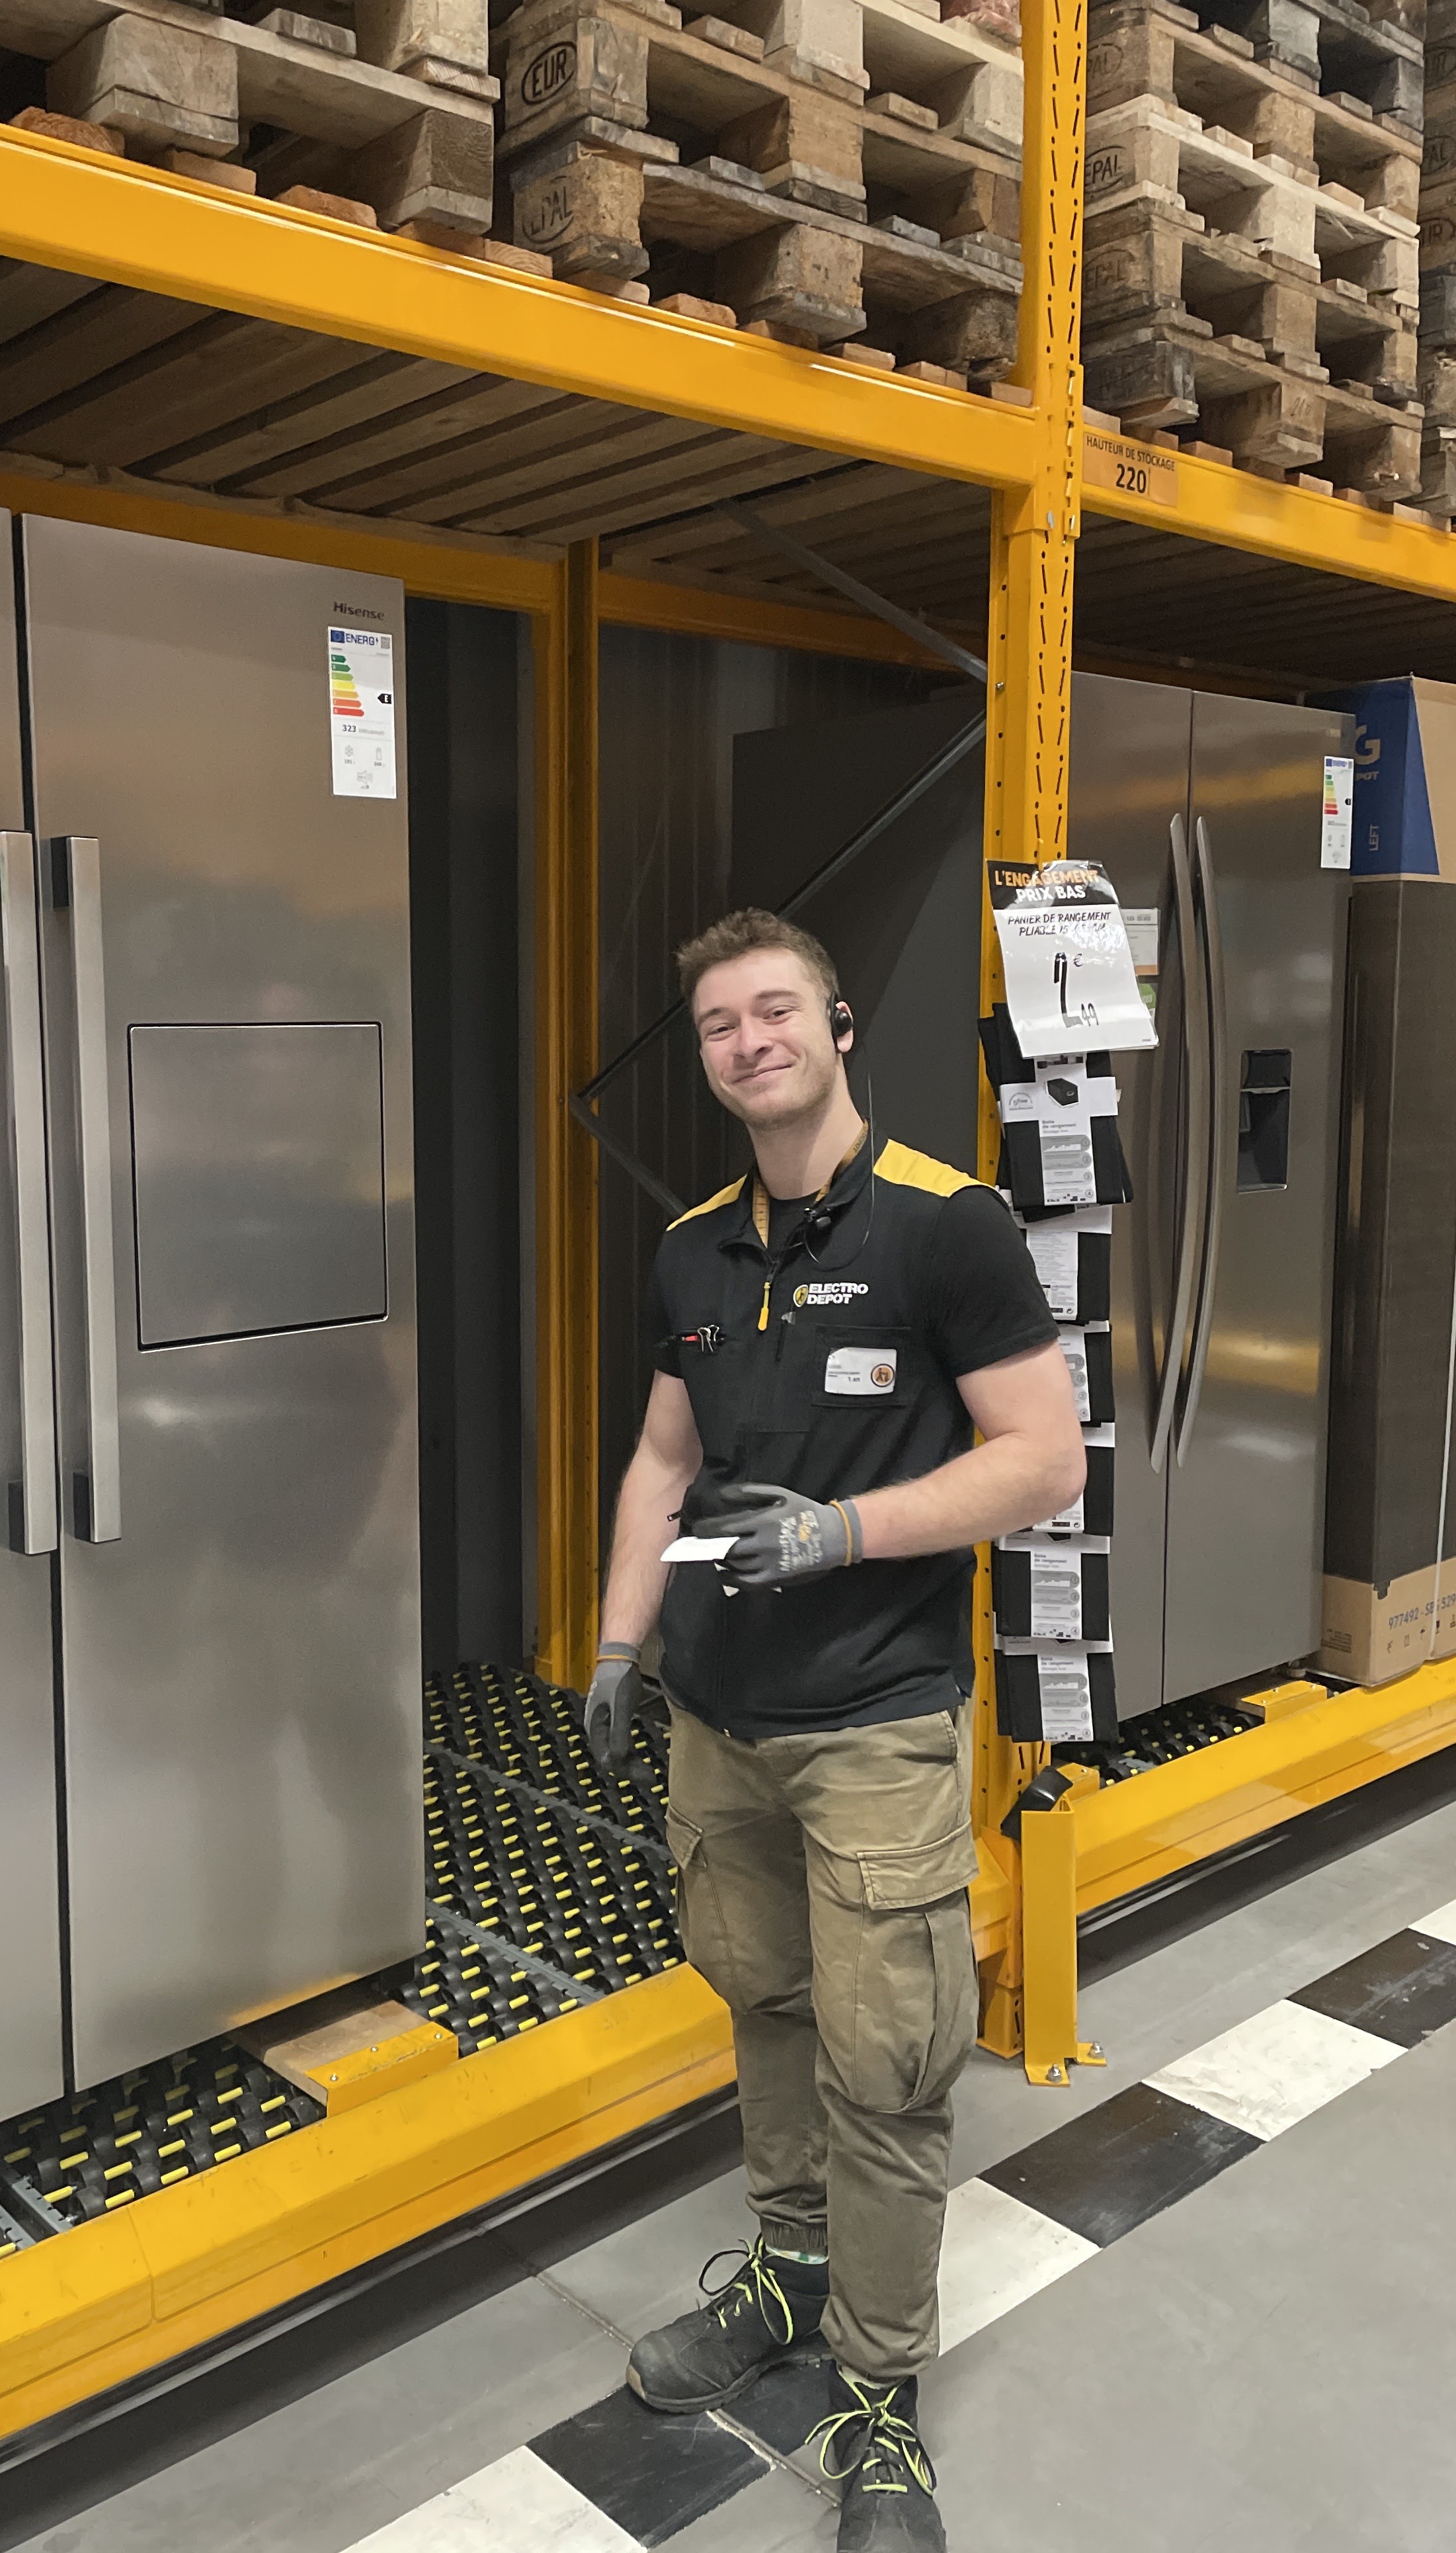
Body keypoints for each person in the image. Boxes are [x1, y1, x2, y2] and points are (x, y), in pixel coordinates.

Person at [585, 911, 1083, 2553]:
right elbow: (663, 1465)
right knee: (769, 2008)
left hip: (874, 1722)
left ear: (840, 1024)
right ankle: (788, 2275)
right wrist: (618, 1644)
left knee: (888, 2068)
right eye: (719, 1025)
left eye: (775, 1010)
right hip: (720, 1722)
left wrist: (845, 1533)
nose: (750, 1042)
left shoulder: (951, 1226)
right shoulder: (691, 1250)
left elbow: (1044, 1459)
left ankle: (880, 2397)